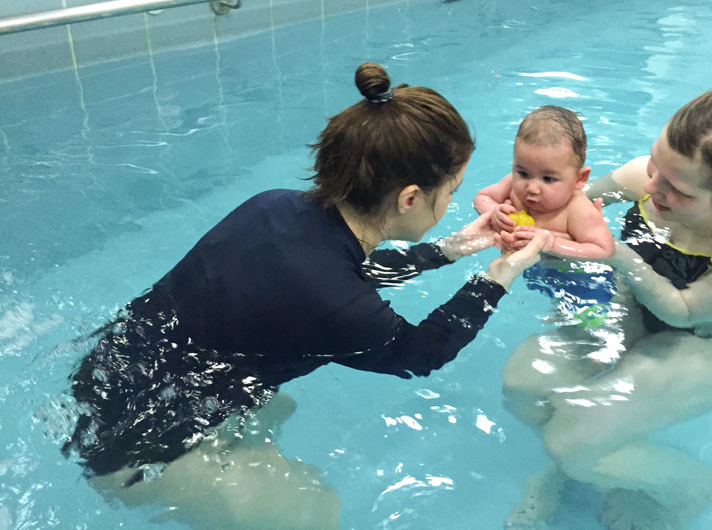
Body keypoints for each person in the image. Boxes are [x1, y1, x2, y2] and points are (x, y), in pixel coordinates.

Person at [63, 62, 551, 530]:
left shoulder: (273, 206)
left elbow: (331, 279)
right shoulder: (339, 305)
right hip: (137, 460)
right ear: (409, 198)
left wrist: (451, 248)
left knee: (280, 407)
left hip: (99, 389)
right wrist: (500, 274)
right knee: (319, 508)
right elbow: (421, 353)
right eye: (450, 191)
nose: (451, 203)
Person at [502, 84, 712, 529]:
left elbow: (682, 311)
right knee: (523, 387)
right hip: (637, 300)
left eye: (677, 189)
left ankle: (681, 484)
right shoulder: (646, 177)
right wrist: (516, 214)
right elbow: (568, 207)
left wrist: (615, 253)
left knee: (572, 437)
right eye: (656, 162)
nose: (651, 186)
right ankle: (588, 464)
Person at [473, 105, 614, 261]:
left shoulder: (577, 210)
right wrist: (494, 212)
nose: (532, 188)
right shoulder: (511, 184)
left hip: (565, 272)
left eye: (548, 179)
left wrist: (551, 243)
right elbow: (482, 197)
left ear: (579, 179)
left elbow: (604, 250)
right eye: (523, 173)